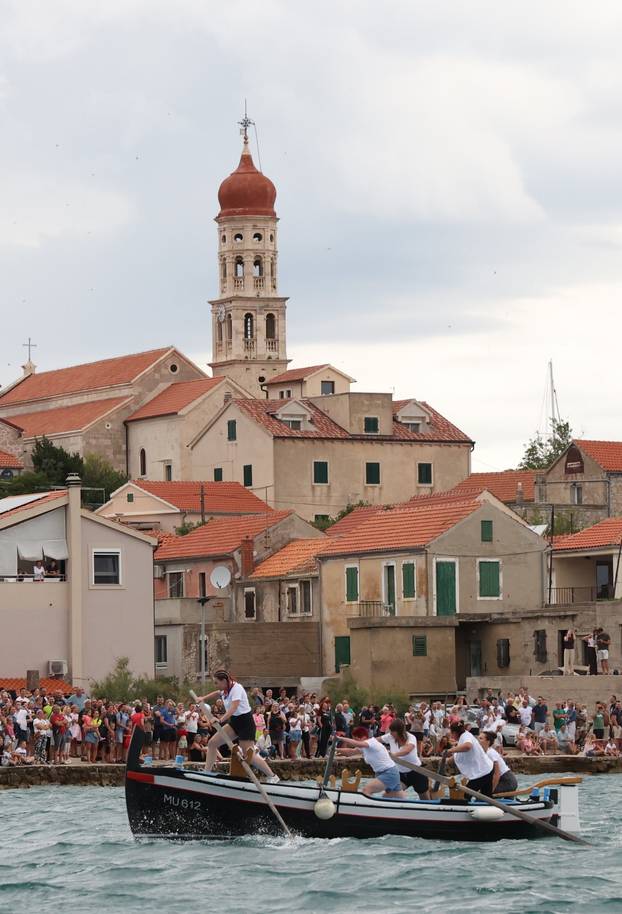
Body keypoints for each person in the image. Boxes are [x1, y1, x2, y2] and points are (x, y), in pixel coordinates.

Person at [196, 670, 279, 782]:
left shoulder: (237, 688)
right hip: (235, 721)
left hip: (246, 722)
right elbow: (217, 693)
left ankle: (272, 776)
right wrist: (203, 698)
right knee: (212, 743)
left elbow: (233, 708)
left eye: (217, 682)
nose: (216, 685)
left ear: (224, 681)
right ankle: (207, 773)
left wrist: (220, 720)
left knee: (248, 754)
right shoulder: (225, 689)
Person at [337, 726, 406, 798]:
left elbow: (357, 744)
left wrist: (341, 738)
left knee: (366, 790)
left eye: (356, 739)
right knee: (388, 797)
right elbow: (350, 752)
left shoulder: (371, 742)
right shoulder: (364, 747)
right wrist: (336, 749)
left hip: (389, 773)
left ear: (363, 737)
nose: (355, 741)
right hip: (387, 773)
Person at [381, 718, 430, 799]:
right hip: (401, 775)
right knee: (387, 795)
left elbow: (407, 750)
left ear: (399, 732)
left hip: (417, 772)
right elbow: (374, 741)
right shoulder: (390, 737)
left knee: (425, 800)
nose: (390, 734)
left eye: (392, 732)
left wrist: (393, 755)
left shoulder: (411, 737)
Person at [445, 721, 494, 796]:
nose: (451, 736)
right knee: (486, 797)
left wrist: (450, 750)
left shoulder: (465, 736)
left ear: (454, 733)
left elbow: (468, 746)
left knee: (465, 795)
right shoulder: (464, 736)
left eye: (451, 733)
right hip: (487, 770)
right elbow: (458, 755)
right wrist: (447, 760)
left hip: (482, 773)